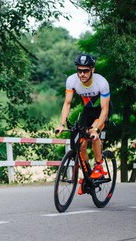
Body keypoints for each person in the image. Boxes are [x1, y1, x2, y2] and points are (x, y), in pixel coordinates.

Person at [55, 54, 111, 195]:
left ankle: (99, 165)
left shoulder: (102, 83)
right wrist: (62, 124)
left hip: (101, 111)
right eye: (79, 70)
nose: (82, 74)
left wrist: (96, 129)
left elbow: (105, 110)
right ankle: (87, 175)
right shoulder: (72, 81)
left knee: (93, 135)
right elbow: (67, 103)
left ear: (92, 69)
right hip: (88, 111)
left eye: (85, 71)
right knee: (81, 144)